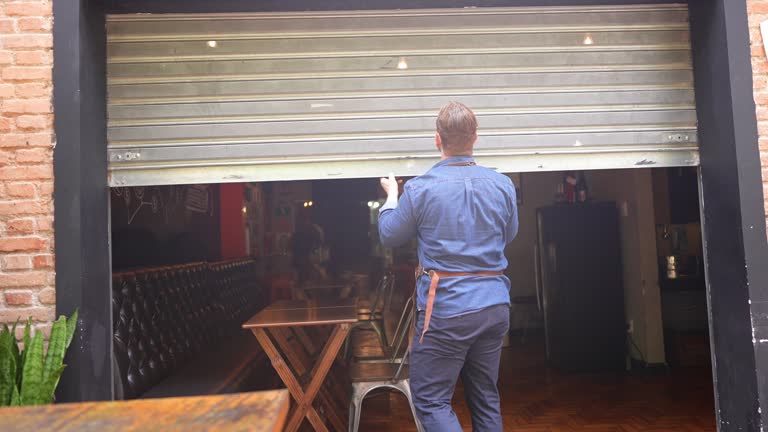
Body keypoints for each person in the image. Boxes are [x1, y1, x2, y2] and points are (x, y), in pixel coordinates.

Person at [377, 101, 518, 432]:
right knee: (486, 397)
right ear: (475, 137)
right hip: (494, 305)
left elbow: (389, 235)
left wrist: (392, 196)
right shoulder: (503, 185)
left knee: (431, 401)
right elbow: (508, 234)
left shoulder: (420, 188)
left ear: (437, 139)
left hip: (447, 309)